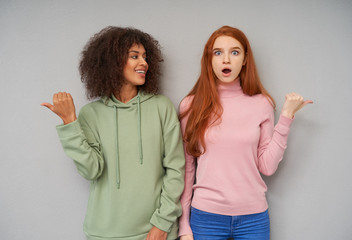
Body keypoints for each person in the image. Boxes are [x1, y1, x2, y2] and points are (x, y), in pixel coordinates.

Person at [41, 26, 185, 240]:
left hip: (154, 232)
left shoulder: (161, 107)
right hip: (105, 232)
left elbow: (176, 170)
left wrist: (162, 224)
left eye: (145, 57)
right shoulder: (91, 114)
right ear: (113, 61)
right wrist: (70, 122)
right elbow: (91, 170)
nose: (143, 63)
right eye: (134, 56)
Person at [178, 26, 312, 240]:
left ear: (245, 59)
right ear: (209, 59)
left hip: (253, 219)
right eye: (218, 52)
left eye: (235, 52)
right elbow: (186, 170)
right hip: (206, 218)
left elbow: (267, 166)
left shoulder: (262, 104)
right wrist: (184, 225)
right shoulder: (191, 105)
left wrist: (286, 117)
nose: (226, 60)